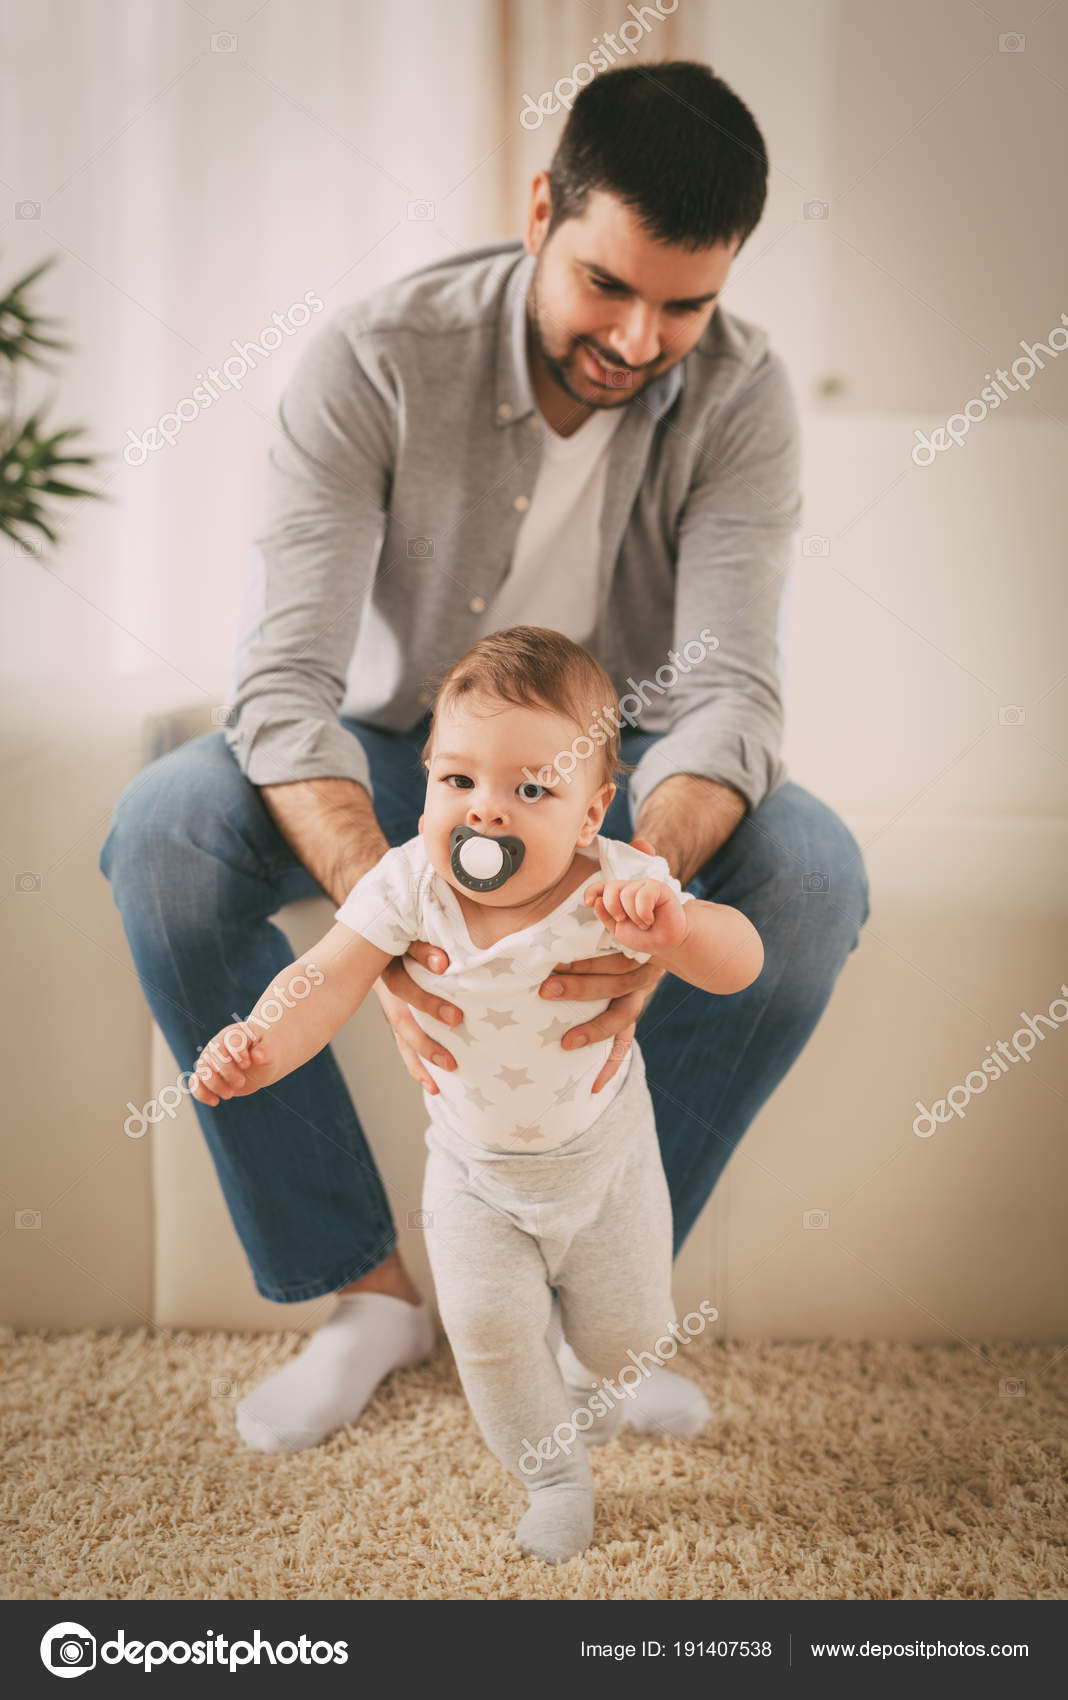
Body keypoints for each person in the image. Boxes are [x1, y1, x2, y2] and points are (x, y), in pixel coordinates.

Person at [99, 59, 870, 1459]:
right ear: (540, 212)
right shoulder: (379, 357)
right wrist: (385, 905)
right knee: (162, 835)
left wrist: (642, 881)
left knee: (812, 878)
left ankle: (593, 1300)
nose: (639, 339)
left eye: (685, 304)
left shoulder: (743, 400)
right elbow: (284, 685)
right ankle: (370, 1296)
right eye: (606, 285)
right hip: (404, 760)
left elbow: (734, 693)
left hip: (612, 784)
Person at [187, 628, 765, 1562]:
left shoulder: (620, 884)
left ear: (590, 812)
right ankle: (553, 1477)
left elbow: (742, 965)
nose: (486, 813)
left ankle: (596, 1384)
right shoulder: (407, 885)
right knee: (489, 1336)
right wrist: (257, 1042)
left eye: (530, 790)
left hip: (606, 1163)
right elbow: (327, 981)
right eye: (458, 782)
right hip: (472, 1174)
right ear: (425, 783)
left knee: (627, 1341)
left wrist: (680, 926)